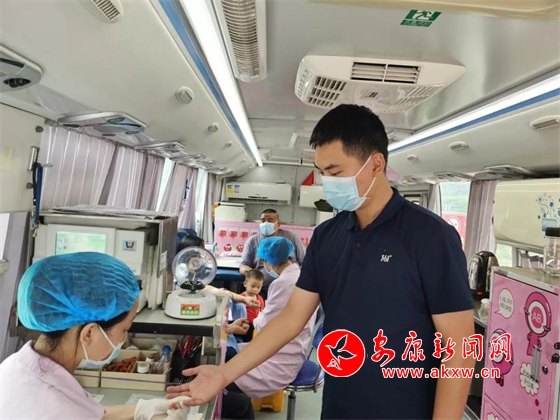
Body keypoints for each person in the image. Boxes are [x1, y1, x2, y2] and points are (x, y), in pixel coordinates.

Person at [167, 104, 476, 420]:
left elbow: (460, 347)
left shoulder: (430, 237)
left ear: (376, 164)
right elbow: (290, 319)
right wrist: (224, 374)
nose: (327, 182)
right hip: (338, 404)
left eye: (336, 172)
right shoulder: (327, 237)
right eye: (323, 172)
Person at [0, 252, 189, 419]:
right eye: (124, 330)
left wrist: (141, 409)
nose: (124, 340)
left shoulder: (13, 367)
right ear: (89, 333)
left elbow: (88, 413)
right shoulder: (60, 409)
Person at [214, 236, 316, 398]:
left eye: (264, 263)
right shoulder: (300, 276)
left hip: (279, 360)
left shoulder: (284, 283)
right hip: (291, 349)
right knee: (231, 352)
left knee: (223, 365)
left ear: (269, 261)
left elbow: (266, 325)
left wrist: (256, 318)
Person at [239, 209, 306, 299]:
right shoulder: (253, 241)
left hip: (289, 288)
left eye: (270, 221)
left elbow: (306, 262)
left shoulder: (291, 238)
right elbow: (243, 265)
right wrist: (252, 274)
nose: (266, 223)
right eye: (263, 221)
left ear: (278, 224)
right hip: (261, 290)